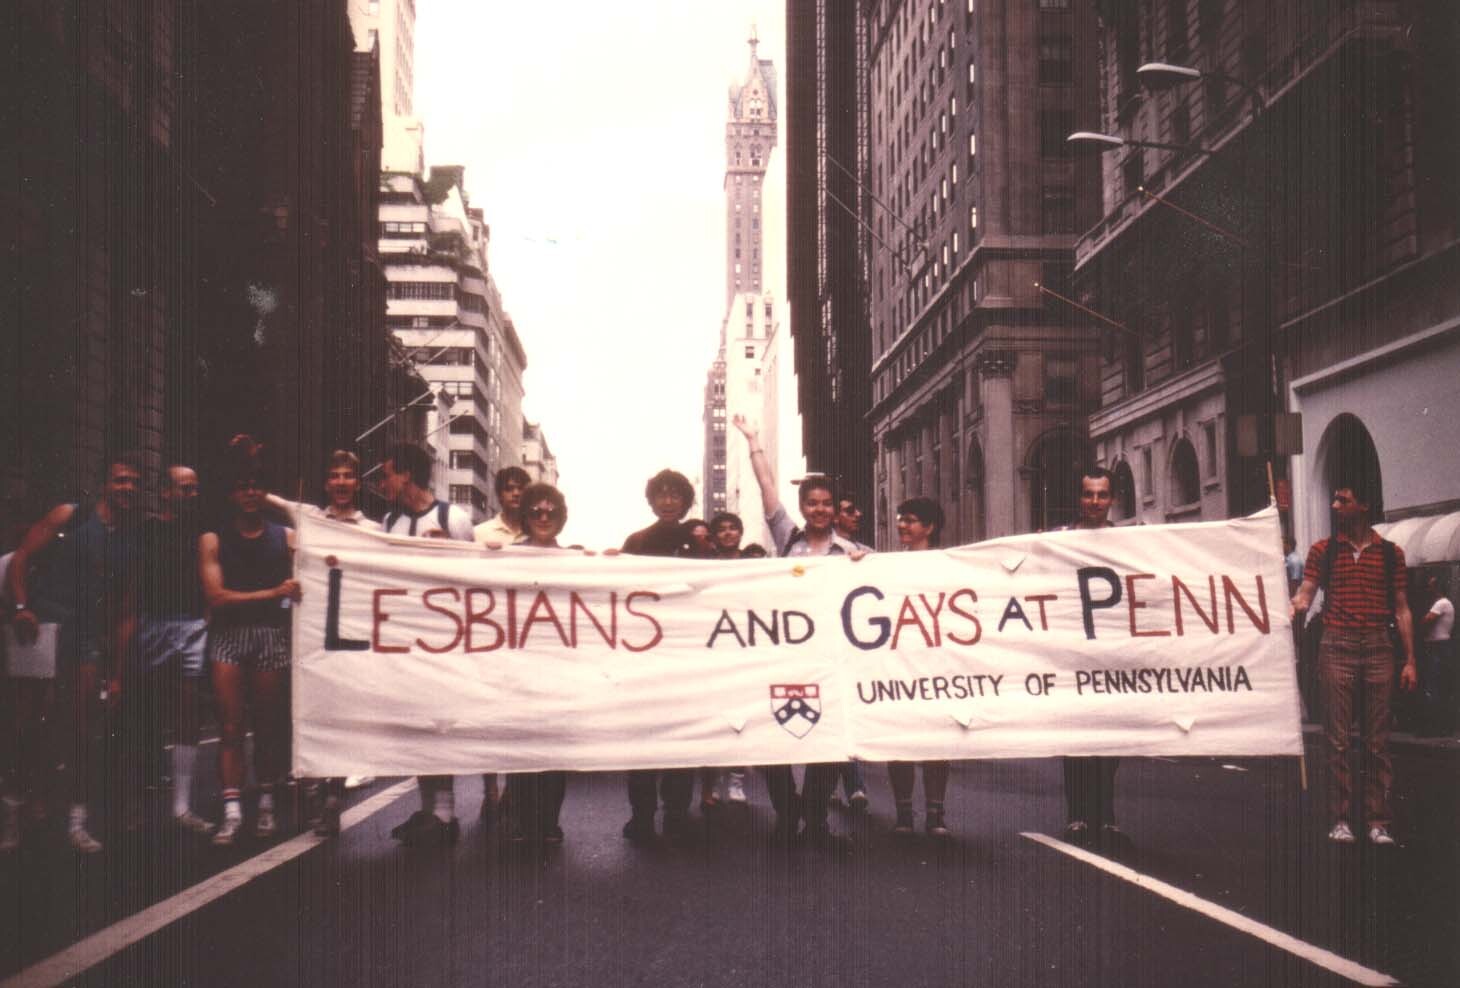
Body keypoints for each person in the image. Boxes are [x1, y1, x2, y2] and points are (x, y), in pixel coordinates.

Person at [733, 414, 862, 850]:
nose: (820, 510)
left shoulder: (857, 553)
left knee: (829, 740)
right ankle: (788, 814)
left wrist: (867, 572)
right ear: (803, 508)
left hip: (833, 659)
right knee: (778, 737)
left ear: (836, 508)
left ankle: (815, 815)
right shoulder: (787, 537)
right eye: (813, 504)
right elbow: (768, 488)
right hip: (788, 656)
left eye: (828, 504)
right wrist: (754, 440)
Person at [8, 452, 144, 853]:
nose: (128, 489)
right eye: (121, 481)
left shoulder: (130, 541)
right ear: (105, 483)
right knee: (24, 724)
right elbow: (21, 559)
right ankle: (13, 814)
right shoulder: (71, 515)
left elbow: (126, 614)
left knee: (81, 728)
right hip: (41, 625)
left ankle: (76, 821)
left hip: (84, 635)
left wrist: (117, 673)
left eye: (134, 483)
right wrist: (22, 607)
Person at [1290, 482, 1418, 846]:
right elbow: (1308, 592)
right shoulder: (1323, 550)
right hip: (1337, 645)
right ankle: (1341, 818)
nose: (1334, 505)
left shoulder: (1392, 554)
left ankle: (1378, 821)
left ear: (1362, 506)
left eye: (1342, 500)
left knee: (1378, 741)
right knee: (1338, 739)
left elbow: (1402, 607)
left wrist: (1410, 660)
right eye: (1334, 499)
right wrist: (1294, 604)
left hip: (1379, 646)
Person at [263, 449, 381, 835]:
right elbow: (264, 496)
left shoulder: (374, 530)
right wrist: (249, 461)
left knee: (342, 714)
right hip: (313, 633)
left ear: (358, 483)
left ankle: (331, 794)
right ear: (326, 483)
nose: (342, 482)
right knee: (312, 710)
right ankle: (314, 788)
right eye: (335, 476)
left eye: (349, 476)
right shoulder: (309, 519)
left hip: (353, 634)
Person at [198, 440, 300, 846]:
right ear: (232, 493)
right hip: (229, 637)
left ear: (264, 493)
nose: (250, 494)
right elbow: (216, 597)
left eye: (257, 486)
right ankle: (232, 811)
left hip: (270, 637)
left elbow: (309, 582)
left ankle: (269, 806)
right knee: (230, 727)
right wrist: (274, 592)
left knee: (268, 726)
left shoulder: (287, 537)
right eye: (243, 487)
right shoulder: (213, 538)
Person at [375, 443, 477, 846]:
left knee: (440, 723)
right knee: (416, 723)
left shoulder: (453, 517)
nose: (383, 484)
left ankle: (445, 813)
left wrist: (446, 552)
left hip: (444, 640)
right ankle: (426, 808)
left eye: (387, 475)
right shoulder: (390, 522)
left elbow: (475, 579)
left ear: (406, 476)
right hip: (406, 639)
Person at [133, 462, 214, 836]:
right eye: (185, 488)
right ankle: (135, 807)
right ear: (165, 492)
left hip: (192, 626)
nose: (193, 495)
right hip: (151, 625)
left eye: (196, 488)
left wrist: (207, 616)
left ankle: (181, 807)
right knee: (143, 708)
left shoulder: (202, 533)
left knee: (187, 711)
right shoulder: (146, 531)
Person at [619, 468, 697, 843]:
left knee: (682, 741)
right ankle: (643, 815)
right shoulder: (634, 542)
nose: (668, 501)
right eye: (661, 495)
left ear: (685, 501)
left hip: (686, 656)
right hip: (645, 657)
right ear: (651, 501)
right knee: (644, 742)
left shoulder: (700, 541)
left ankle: (678, 812)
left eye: (675, 495)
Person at [495, 483, 573, 844]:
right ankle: (525, 824)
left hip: (558, 670)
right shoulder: (504, 558)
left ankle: (549, 823)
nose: (544, 517)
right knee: (521, 747)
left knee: (554, 750)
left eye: (551, 512)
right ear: (525, 516)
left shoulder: (575, 561)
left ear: (560, 519)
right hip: (518, 667)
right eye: (536, 512)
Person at [1061, 467, 1124, 852]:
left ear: (1112, 498)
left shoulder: (1128, 541)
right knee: (1078, 736)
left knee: (1112, 737)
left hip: (1114, 652)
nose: (1095, 502)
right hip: (1072, 652)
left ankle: (1107, 815)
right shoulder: (1061, 541)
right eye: (1089, 495)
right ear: (1079, 498)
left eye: (1102, 495)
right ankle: (1078, 815)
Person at [888, 497, 952, 840]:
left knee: (935, 742)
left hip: (937, 665)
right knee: (899, 741)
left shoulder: (948, 565)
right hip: (899, 666)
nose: (902, 525)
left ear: (929, 527)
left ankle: (935, 812)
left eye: (910, 520)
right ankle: (903, 812)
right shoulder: (887, 566)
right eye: (901, 519)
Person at [828, 493, 872, 813]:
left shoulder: (868, 554)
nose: (857, 513)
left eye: (855, 509)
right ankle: (851, 784)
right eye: (849, 510)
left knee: (849, 718)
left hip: (855, 648)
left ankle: (845, 783)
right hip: (823, 648)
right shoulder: (816, 552)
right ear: (834, 517)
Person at [1417, 575, 1453, 737]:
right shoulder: (1445, 603)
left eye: (1431, 586)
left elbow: (1426, 620)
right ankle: (1440, 726)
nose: (1429, 589)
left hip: (1437, 647)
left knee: (1433, 686)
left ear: (1438, 587)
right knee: (1437, 685)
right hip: (1441, 646)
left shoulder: (1441, 603)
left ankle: (1434, 727)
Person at [474, 466, 530, 547]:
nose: (516, 493)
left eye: (521, 488)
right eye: (509, 489)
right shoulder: (479, 533)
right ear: (500, 495)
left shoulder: (536, 535)